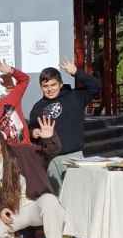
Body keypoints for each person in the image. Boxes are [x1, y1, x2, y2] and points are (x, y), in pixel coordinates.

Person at [0, 121, 69, 238]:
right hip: (13, 211)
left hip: (34, 205)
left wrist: (49, 138)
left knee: (50, 201)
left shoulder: (23, 152)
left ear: (1, 139)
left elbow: (50, 152)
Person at [28, 59, 101, 192]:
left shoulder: (75, 96)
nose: (50, 89)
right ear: (41, 87)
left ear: (61, 84)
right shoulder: (38, 107)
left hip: (74, 155)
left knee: (77, 193)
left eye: (53, 84)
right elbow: (32, 127)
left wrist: (76, 72)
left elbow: (96, 86)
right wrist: (33, 132)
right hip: (51, 158)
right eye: (45, 86)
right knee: (57, 195)